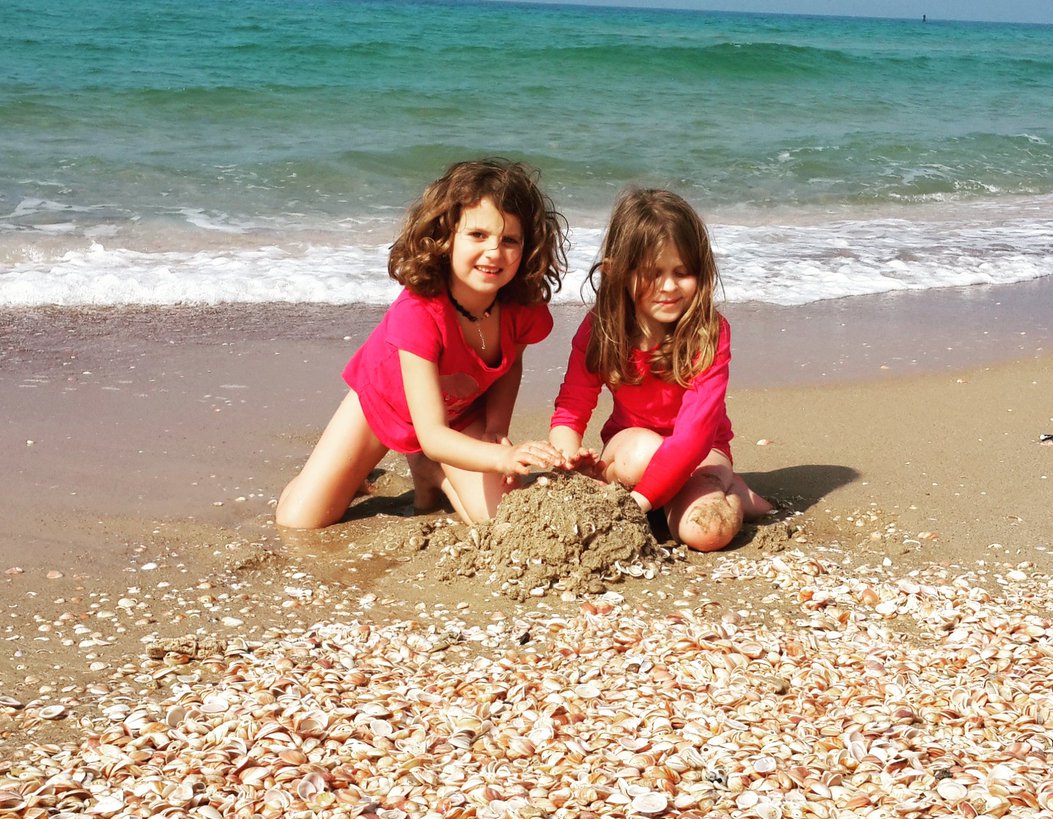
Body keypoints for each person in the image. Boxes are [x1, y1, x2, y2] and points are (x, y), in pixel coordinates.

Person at [276, 158, 568, 529]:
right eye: (478, 235)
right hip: (384, 404)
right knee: (299, 520)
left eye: (509, 240)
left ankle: (432, 471)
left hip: (459, 414)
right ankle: (343, 475)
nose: (494, 252)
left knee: (497, 519)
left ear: (528, 248)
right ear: (445, 237)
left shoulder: (521, 306)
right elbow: (432, 435)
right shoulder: (418, 312)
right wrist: (502, 459)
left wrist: (495, 428)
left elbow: (510, 364)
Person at [549, 188, 772, 551]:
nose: (668, 287)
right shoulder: (600, 330)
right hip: (631, 449)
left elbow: (694, 436)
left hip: (702, 453)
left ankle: (732, 495)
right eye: (652, 273)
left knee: (707, 532)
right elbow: (571, 410)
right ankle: (676, 494)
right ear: (617, 272)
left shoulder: (709, 333)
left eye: (682, 272)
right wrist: (568, 461)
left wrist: (636, 505)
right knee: (643, 454)